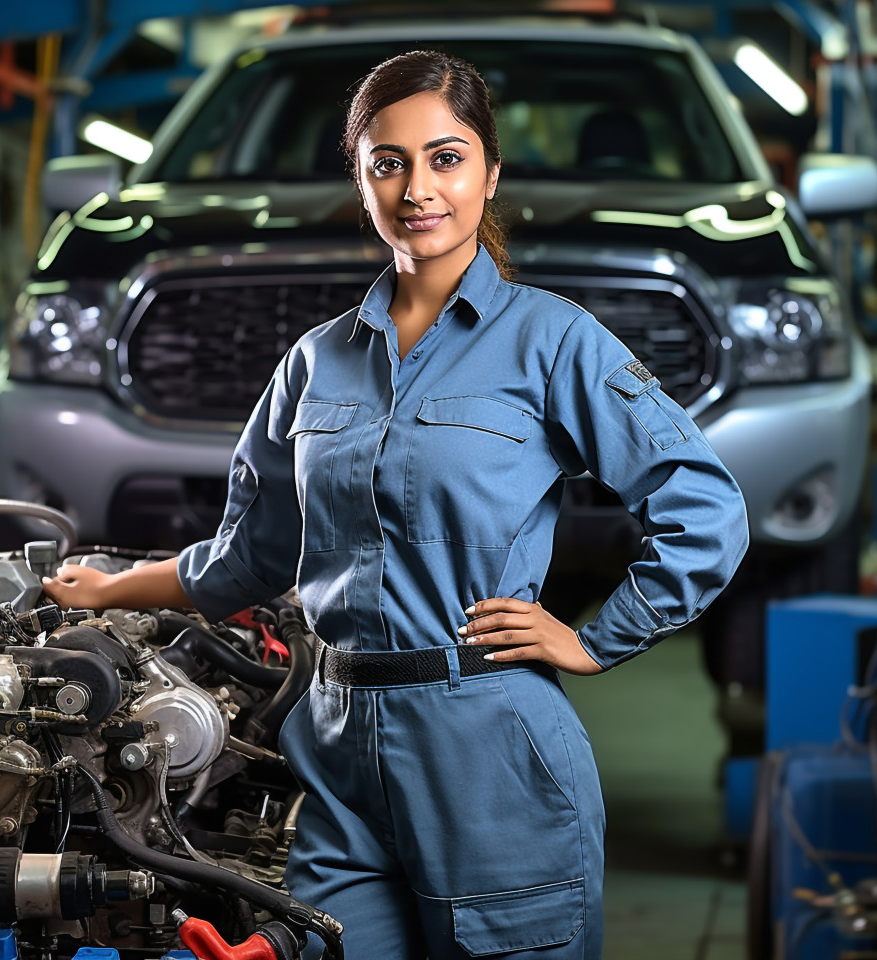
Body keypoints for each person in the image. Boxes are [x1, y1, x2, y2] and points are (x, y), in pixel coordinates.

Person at [41, 50, 749, 960]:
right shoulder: (314, 363)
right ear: (363, 179)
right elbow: (248, 560)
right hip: (333, 747)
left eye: (446, 158)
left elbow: (704, 505)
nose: (419, 188)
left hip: (487, 743)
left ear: (491, 174)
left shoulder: (553, 340)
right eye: (389, 162)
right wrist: (105, 591)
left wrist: (592, 639)